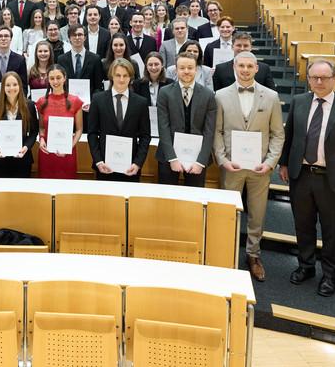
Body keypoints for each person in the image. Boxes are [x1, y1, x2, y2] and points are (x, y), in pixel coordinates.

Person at [280, 59, 335, 297]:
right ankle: (306, 266)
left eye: (324, 78)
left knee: (331, 231)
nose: (319, 82)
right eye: (314, 77)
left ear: (334, 79)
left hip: (333, 180)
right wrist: (285, 163)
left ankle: (330, 274)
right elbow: (290, 137)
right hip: (302, 176)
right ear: (308, 78)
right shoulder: (299, 102)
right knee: (303, 225)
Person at [213, 51, 284, 282]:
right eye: (241, 65)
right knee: (227, 213)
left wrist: (270, 163)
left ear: (256, 68)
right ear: (234, 67)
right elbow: (217, 132)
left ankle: (253, 255)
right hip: (231, 167)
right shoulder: (220, 96)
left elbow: (277, 135)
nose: (245, 70)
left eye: (249, 66)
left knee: (257, 213)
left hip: (259, 169)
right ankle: (226, 254)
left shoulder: (271, 97)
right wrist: (223, 160)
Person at [156, 51, 217, 186]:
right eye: (182, 68)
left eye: (190, 67)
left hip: (197, 158)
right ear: (176, 70)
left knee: (194, 200)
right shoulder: (164, 92)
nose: (186, 71)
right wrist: (172, 158)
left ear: (196, 69)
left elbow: (209, 131)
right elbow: (163, 127)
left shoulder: (208, 95)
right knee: (167, 198)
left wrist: (201, 161)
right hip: (168, 155)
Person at [87, 58, 150, 182]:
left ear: (131, 77)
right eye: (118, 75)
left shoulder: (141, 102)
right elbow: (92, 133)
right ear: (111, 76)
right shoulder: (98, 99)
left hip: (131, 167)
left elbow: (145, 136)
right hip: (104, 166)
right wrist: (98, 161)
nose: (121, 79)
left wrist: (137, 163)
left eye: (125, 76)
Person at [35, 65, 84, 179]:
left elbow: (79, 129)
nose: (55, 81)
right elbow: (42, 128)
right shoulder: (42, 102)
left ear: (64, 78)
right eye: (52, 78)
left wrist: (69, 146)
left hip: (67, 152)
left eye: (58, 77)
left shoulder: (75, 101)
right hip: (46, 152)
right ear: (48, 80)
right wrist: (41, 139)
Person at [0, 72, 39, 178]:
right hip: (0, 158)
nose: (11, 88)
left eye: (15, 84)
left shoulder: (29, 105)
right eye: (8, 85)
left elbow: (34, 131)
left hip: (22, 159)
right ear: (3, 87)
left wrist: (26, 147)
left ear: (20, 86)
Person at [212, 31, 276, 91]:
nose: (242, 49)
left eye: (245, 46)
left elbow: (271, 93)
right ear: (232, 47)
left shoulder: (264, 69)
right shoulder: (220, 69)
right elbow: (216, 95)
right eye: (238, 45)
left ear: (251, 47)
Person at [57, 24, 105, 98]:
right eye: (74, 35)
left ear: (85, 37)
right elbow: (60, 85)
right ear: (69, 38)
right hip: (68, 103)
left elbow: (98, 86)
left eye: (80, 35)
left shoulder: (95, 59)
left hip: (90, 104)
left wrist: (92, 102)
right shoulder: (61, 59)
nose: (77, 37)